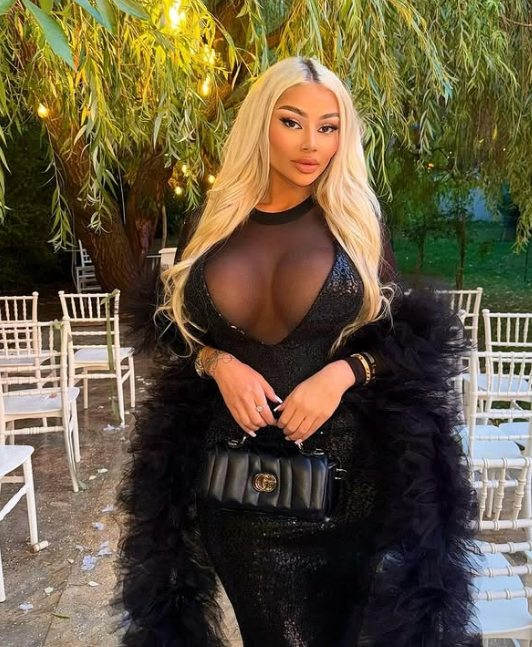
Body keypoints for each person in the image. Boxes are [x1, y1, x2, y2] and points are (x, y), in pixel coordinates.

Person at [116, 57, 481, 647]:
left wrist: (343, 373)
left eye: (328, 127)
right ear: (261, 123)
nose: (312, 143)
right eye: (292, 122)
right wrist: (218, 363)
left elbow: (405, 338)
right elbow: (178, 332)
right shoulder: (210, 222)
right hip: (234, 485)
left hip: (346, 484)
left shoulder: (357, 221)